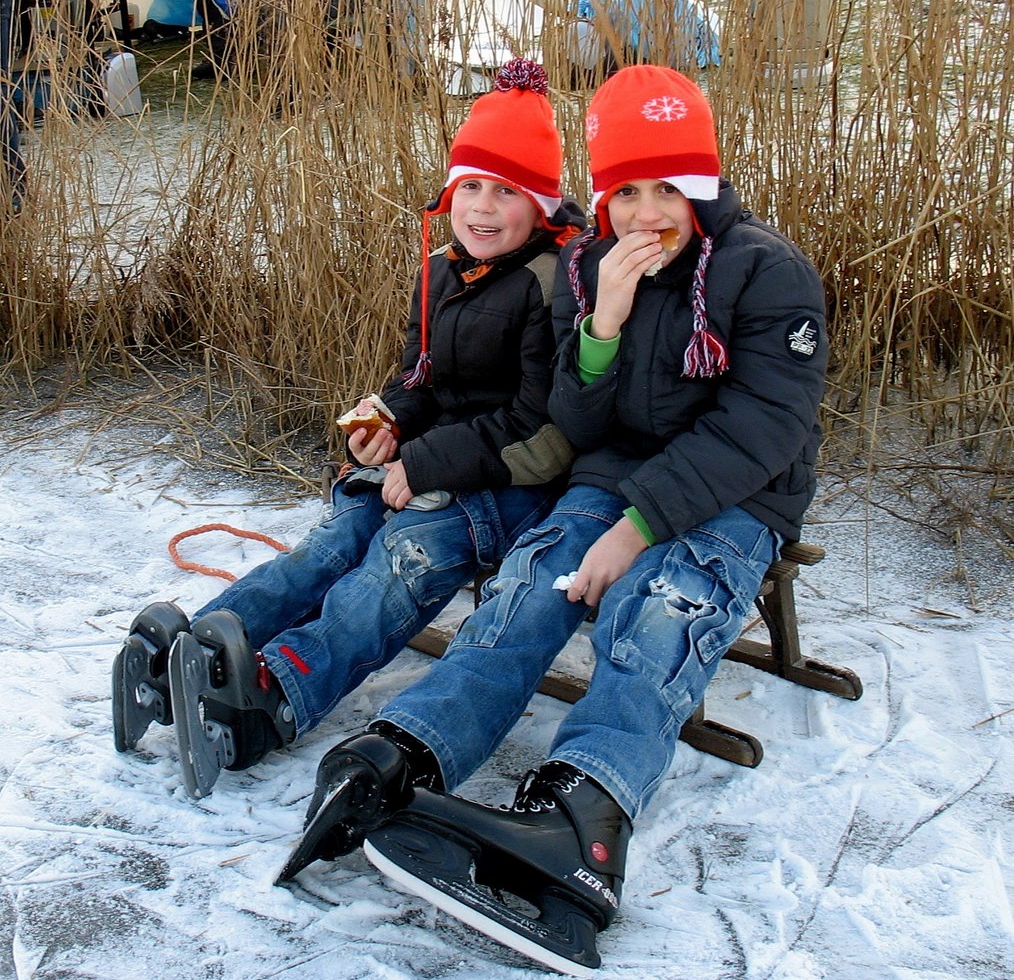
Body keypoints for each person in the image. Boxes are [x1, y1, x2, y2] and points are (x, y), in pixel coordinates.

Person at [278, 65, 829, 975]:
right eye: (625, 193)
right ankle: (415, 745)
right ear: (602, 197)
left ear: (702, 187)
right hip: (612, 473)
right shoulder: (586, 270)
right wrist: (604, 318)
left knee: (660, 608)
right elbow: (572, 424)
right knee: (534, 583)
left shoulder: (766, 273)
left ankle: (583, 816)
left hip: (737, 497)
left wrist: (640, 528)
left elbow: (764, 425)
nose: (646, 214)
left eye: (668, 191)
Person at [111, 58, 584, 799]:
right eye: (472, 186)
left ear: (542, 206)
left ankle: (276, 695)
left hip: (510, 485)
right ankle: (201, 645)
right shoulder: (440, 269)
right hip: (425, 466)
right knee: (329, 544)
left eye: (507, 192)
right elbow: (420, 379)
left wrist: (424, 463)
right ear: (451, 190)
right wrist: (389, 422)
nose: (484, 208)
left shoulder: (550, 284)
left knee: (398, 561)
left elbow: (538, 423)